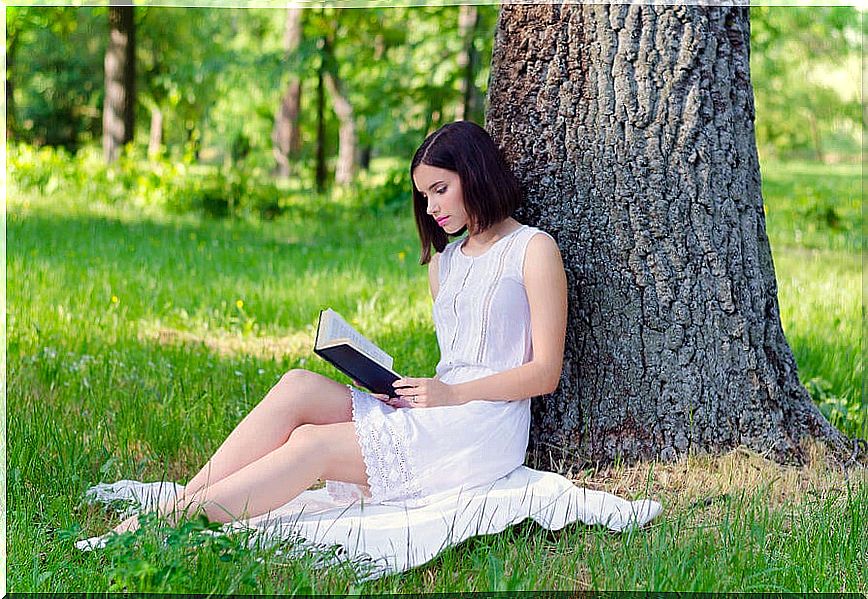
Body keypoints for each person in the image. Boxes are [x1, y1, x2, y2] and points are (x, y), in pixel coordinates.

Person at [104, 120, 568, 536]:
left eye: (439, 189)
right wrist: (398, 388)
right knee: (297, 386)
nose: (429, 208)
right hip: (435, 407)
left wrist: (449, 394)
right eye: (423, 195)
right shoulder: (443, 265)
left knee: (311, 445)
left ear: (475, 174)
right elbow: (457, 358)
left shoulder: (532, 249)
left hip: (481, 427)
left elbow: (544, 373)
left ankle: (167, 526)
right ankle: (184, 499)